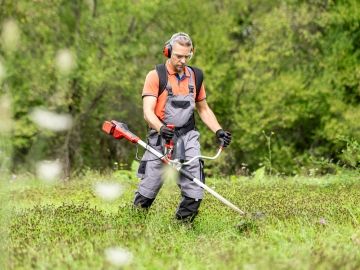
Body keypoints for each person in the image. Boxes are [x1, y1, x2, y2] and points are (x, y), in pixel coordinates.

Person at [134, 32, 231, 222]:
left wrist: (218, 130)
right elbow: (148, 112)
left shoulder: (196, 76)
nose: (183, 60)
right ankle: (133, 225)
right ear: (168, 51)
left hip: (188, 136)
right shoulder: (156, 76)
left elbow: (203, 109)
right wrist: (161, 128)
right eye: (178, 56)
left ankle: (182, 227)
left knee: (195, 186)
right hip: (161, 137)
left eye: (187, 56)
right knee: (148, 187)